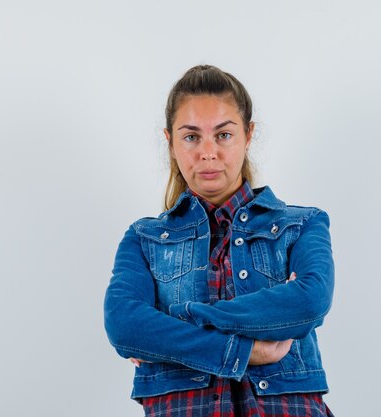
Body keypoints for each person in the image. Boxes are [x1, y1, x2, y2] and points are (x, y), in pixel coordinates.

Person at [104, 65, 335, 417]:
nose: (208, 152)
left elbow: (309, 302)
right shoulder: (143, 239)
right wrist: (243, 351)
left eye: (224, 135)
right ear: (171, 141)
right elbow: (124, 325)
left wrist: (177, 321)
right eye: (192, 137)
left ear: (248, 135)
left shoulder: (302, 225)